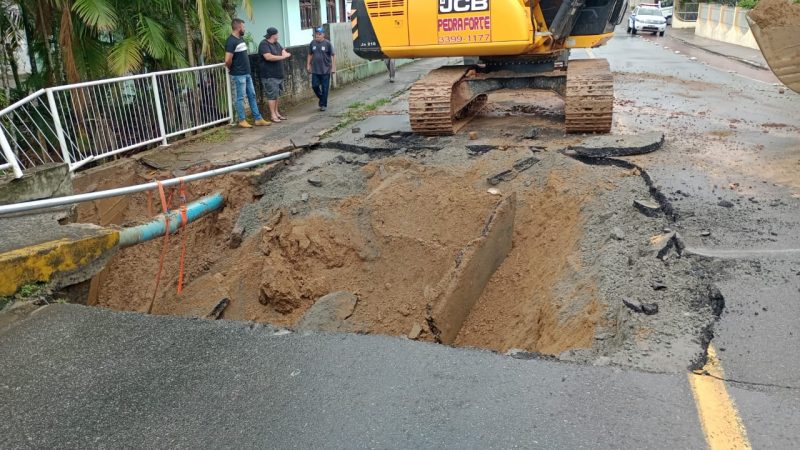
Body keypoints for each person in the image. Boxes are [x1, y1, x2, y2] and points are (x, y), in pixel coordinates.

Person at [225, 18, 270, 128]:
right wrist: (232, 69)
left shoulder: (240, 39)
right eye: (243, 27)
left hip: (247, 73)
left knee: (252, 96)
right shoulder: (231, 41)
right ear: (238, 27)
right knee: (240, 98)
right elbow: (227, 60)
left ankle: (258, 118)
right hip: (238, 74)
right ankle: (242, 120)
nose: (244, 29)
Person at [258, 27, 291, 123]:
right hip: (269, 75)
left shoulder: (276, 43)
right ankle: (272, 115)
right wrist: (283, 56)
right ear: (273, 35)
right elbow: (268, 57)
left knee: (277, 95)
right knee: (272, 96)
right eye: (277, 34)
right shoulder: (264, 44)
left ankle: (277, 113)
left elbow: (282, 51)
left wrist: (285, 53)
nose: (278, 36)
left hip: (278, 74)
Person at [306, 27, 336, 111]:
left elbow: (333, 55)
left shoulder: (327, 43)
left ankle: (323, 105)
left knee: (325, 88)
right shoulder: (312, 43)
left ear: (323, 35)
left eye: (319, 34)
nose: (317, 35)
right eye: (316, 34)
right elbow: (310, 54)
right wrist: (308, 65)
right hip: (315, 70)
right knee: (314, 86)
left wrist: (333, 67)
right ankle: (322, 99)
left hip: (326, 69)